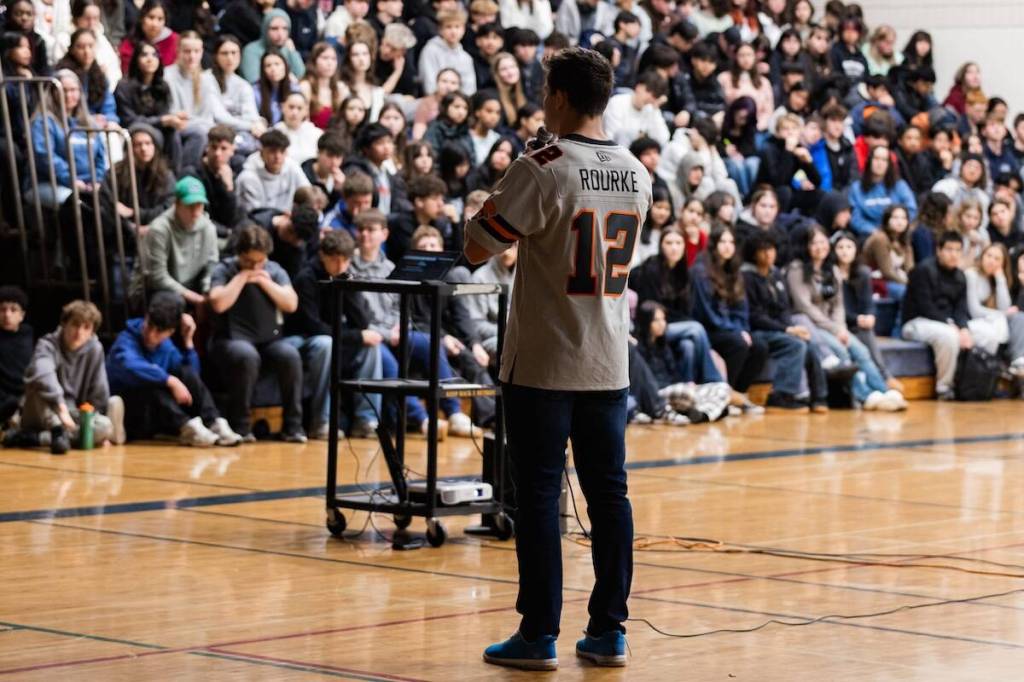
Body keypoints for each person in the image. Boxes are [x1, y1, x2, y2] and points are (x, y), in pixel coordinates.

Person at [465, 47, 651, 669]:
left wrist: (504, 181)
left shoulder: (542, 164)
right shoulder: (636, 170)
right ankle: (610, 630)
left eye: (547, 89)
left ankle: (539, 633)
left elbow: (476, 245)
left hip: (545, 358)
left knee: (540, 495)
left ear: (562, 98)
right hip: (607, 358)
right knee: (610, 495)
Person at [788, 225, 904, 411]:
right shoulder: (797, 270)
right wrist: (835, 330)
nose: (820, 246)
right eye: (814, 243)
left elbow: (838, 304)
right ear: (806, 246)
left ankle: (882, 391)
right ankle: (865, 396)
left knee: (861, 351)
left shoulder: (831, 270)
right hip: (812, 327)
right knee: (841, 353)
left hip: (834, 326)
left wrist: (841, 328)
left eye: (823, 242)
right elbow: (805, 307)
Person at [207, 224, 305, 442]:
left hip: (268, 339)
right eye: (249, 261)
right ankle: (241, 426)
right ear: (240, 255)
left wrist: (263, 281)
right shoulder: (224, 269)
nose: (255, 266)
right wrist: (242, 277)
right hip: (230, 339)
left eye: (260, 261)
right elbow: (218, 303)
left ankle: (293, 426)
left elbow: (291, 303)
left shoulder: (274, 270)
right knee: (246, 355)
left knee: (289, 354)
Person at [106, 292, 242, 446]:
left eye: (158, 331)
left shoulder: (166, 347)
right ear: (146, 317)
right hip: (133, 414)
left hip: (158, 415)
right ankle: (187, 428)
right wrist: (169, 380)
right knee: (151, 387)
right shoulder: (126, 339)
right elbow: (128, 365)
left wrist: (188, 341)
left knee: (185, 372)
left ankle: (214, 421)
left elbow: (192, 376)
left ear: (170, 332)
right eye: (149, 325)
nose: (151, 334)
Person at [283, 229, 383, 439]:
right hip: (300, 339)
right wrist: (355, 337)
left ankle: (366, 420)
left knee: (371, 345)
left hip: (332, 336)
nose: (340, 266)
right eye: (334, 260)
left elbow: (362, 322)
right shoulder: (306, 278)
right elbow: (312, 326)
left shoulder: (343, 275)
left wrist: (348, 288)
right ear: (322, 256)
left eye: (345, 260)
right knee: (325, 343)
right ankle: (322, 422)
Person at [11, 301, 124, 454]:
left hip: (72, 414)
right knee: (37, 384)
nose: (79, 332)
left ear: (92, 332)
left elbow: (98, 391)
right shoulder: (47, 344)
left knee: (104, 426)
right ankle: (59, 433)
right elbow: (42, 373)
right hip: (44, 412)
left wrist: (94, 422)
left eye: (86, 327)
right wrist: (60, 407)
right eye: (75, 325)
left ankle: (36, 438)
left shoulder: (95, 350)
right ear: (64, 324)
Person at [740, 230, 828, 412]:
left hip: (778, 329)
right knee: (795, 345)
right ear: (753, 253)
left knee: (808, 342)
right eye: (763, 250)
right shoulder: (746, 277)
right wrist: (787, 330)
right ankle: (780, 396)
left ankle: (819, 397)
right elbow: (754, 316)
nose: (768, 254)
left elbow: (783, 308)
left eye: (771, 249)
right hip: (756, 330)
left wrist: (791, 327)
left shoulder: (776, 274)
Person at [690, 225, 767, 411]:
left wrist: (742, 329)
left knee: (760, 346)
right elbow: (706, 312)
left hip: (729, 328)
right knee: (738, 344)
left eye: (731, 242)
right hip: (708, 328)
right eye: (722, 241)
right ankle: (724, 395)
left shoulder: (734, 271)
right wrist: (736, 331)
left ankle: (737, 395)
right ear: (714, 244)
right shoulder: (700, 271)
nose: (727, 246)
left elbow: (742, 309)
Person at [902, 231, 977, 401]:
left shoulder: (960, 276)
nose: (953, 254)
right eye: (949, 249)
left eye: (958, 250)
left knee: (981, 333)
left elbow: (961, 309)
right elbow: (925, 306)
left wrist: (964, 328)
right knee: (948, 335)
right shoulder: (923, 270)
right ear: (939, 250)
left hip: (946, 323)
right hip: (916, 322)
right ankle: (944, 388)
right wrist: (952, 326)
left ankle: (975, 383)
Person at [130, 176, 219, 309]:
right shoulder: (159, 229)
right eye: (190, 205)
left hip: (192, 286)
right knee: (173, 303)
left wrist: (207, 292)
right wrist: (194, 298)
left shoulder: (208, 228)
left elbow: (211, 264)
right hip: (157, 290)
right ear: (177, 204)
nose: (195, 211)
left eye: (199, 205)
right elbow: (157, 277)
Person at [833, 230, 901, 392]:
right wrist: (856, 319)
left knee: (866, 330)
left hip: (858, 321)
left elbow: (868, 303)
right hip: (840, 322)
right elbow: (836, 309)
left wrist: (870, 316)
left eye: (849, 247)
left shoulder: (863, 273)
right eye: (840, 247)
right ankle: (884, 378)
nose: (844, 251)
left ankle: (884, 378)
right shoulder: (831, 273)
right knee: (862, 337)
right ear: (833, 250)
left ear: (856, 250)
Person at [965, 244, 1024, 372]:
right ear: (982, 256)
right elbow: (974, 311)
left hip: (989, 321)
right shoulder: (971, 275)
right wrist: (1003, 314)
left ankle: (1017, 361)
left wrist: (1000, 278)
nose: (991, 261)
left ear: (1003, 263)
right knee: (998, 328)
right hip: (969, 322)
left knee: (1019, 318)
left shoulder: (995, 279)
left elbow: (1005, 306)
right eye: (989, 256)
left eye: (997, 259)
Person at [849, 145, 917, 237]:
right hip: (869, 236)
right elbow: (855, 218)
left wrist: (897, 226)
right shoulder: (856, 188)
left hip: (897, 233)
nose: (879, 163)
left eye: (884, 160)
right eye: (876, 158)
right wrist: (874, 231)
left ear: (889, 164)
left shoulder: (900, 185)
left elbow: (911, 209)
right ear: (869, 161)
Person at [237, 129, 311, 213]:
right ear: (261, 153)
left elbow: (307, 192)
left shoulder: (292, 166)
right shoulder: (248, 176)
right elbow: (254, 213)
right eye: (272, 151)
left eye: (282, 151)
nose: (277, 156)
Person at [602, 69, 670, 148]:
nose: (650, 98)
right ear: (638, 87)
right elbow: (613, 137)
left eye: (655, 95)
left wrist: (655, 110)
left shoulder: (651, 109)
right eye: (648, 91)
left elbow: (663, 140)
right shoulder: (618, 102)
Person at [419, 8, 476, 96]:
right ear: (440, 30)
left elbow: (469, 89)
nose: (453, 31)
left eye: (457, 27)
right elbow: (429, 85)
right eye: (448, 27)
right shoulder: (430, 50)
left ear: (463, 30)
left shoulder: (466, 58)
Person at [239, 8, 305, 82]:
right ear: (265, 29)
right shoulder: (251, 50)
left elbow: (302, 76)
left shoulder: (287, 49)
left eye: (285, 28)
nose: (280, 34)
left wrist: (293, 52)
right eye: (274, 29)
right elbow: (254, 80)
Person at [0, 286, 32, 427]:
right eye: (2, 310)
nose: (7, 315)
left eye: (13, 310)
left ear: (22, 315)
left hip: (24, 394)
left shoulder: (28, 335)